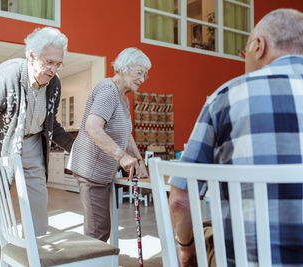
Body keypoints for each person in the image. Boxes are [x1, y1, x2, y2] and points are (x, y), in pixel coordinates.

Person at [169, 8, 303, 267]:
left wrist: (186, 250)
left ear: (259, 46)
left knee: (208, 232)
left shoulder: (226, 97)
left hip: (247, 261)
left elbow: (180, 200)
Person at [0, 27, 74, 267]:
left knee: (38, 216)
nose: (54, 69)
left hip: (33, 147)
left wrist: (77, 148)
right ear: (31, 56)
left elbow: (53, 125)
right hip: (0, 149)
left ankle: (32, 261)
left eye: (59, 64)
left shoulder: (54, 84)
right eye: (49, 62)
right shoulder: (9, 74)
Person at [68, 47, 151, 242]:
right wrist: (122, 157)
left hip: (101, 170)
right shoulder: (108, 90)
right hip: (91, 169)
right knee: (98, 231)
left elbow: (126, 134)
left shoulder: (123, 97)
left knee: (100, 227)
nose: (142, 79)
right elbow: (93, 127)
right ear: (123, 67)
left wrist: (139, 160)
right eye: (139, 72)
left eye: (145, 75)